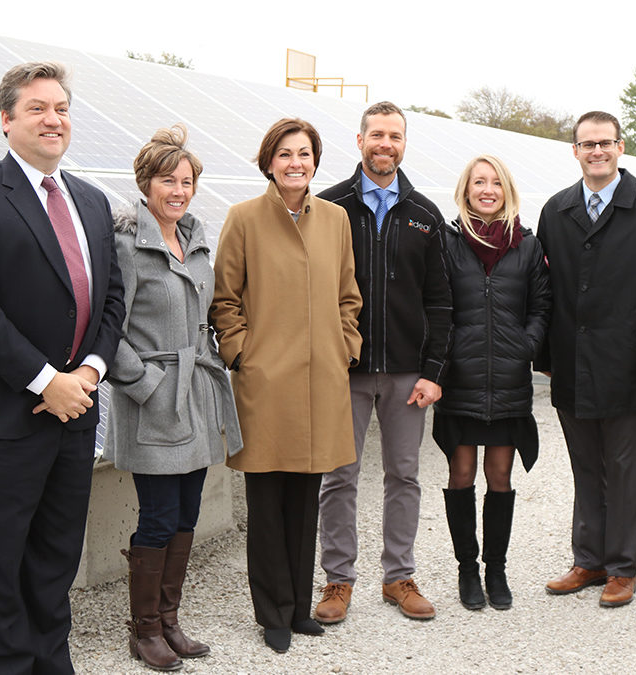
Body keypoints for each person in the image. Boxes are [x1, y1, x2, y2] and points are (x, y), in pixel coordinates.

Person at [0, 61, 125, 673]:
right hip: (3, 416)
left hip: (75, 411)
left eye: (62, 108)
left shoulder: (93, 202)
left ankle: (51, 661)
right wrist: (49, 381)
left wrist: (89, 374)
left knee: (56, 553)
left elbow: (112, 299)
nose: (54, 119)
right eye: (38, 108)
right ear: (7, 119)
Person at [209, 118, 362, 654]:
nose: (296, 162)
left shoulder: (337, 219)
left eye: (305, 153)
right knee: (267, 500)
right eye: (285, 154)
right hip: (265, 384)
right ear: (268, 161)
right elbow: (224, 300)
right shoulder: (243, 218)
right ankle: (271, 612)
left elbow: (349, 294)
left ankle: (300, 609)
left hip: (322, 379)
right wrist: (243, 354)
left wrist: (346, 345)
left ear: (315, 161)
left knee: (306, 499)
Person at [103, 124, 243, 670]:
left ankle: (169, 621)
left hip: (198, 395)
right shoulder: (125, 244)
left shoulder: (195, 238)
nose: (178, 190)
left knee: (187, 513)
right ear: (146, 183)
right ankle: (143, 631)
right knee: (159, 516)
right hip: (154, 399)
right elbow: (107, 327)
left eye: (186, 181)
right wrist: (144, 383)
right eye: (168, 180)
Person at [537, 110, 636, 608]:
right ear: (575, 151)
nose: (596, 151)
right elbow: (543, 292)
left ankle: (623, 567)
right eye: (587, 144)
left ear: (620, 148)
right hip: (573, 363)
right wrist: (546, 357)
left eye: (605, 142)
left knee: (624, 470)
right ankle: (588, 560)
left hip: (629, 366)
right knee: (585, 466)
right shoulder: (556, 210)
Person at [315, 101, 452, 623]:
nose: (385, 144)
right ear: (360, 140)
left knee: (404, 475)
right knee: (339, 478)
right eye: (377, 135)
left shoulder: (424, 215)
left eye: (394, 136)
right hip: (342, 372)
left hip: (406, 375)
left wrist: (433, 372)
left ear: (403, 144)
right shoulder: (329, 207)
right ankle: (337, 581)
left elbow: (441, 302)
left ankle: (398, 577)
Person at [434, 155, 550, 611]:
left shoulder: (526, 244)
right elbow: (437, 305)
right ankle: (467, 570)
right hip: (460, 380)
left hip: (508, 380)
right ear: (466, 190)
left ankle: (495, 571)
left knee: (499, 476)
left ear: (506, 190)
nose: (487, 189)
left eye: (495, 182)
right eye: (478, 182)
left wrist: (526, 345)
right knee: (460, 473)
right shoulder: (447, 243)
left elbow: (542, 307)